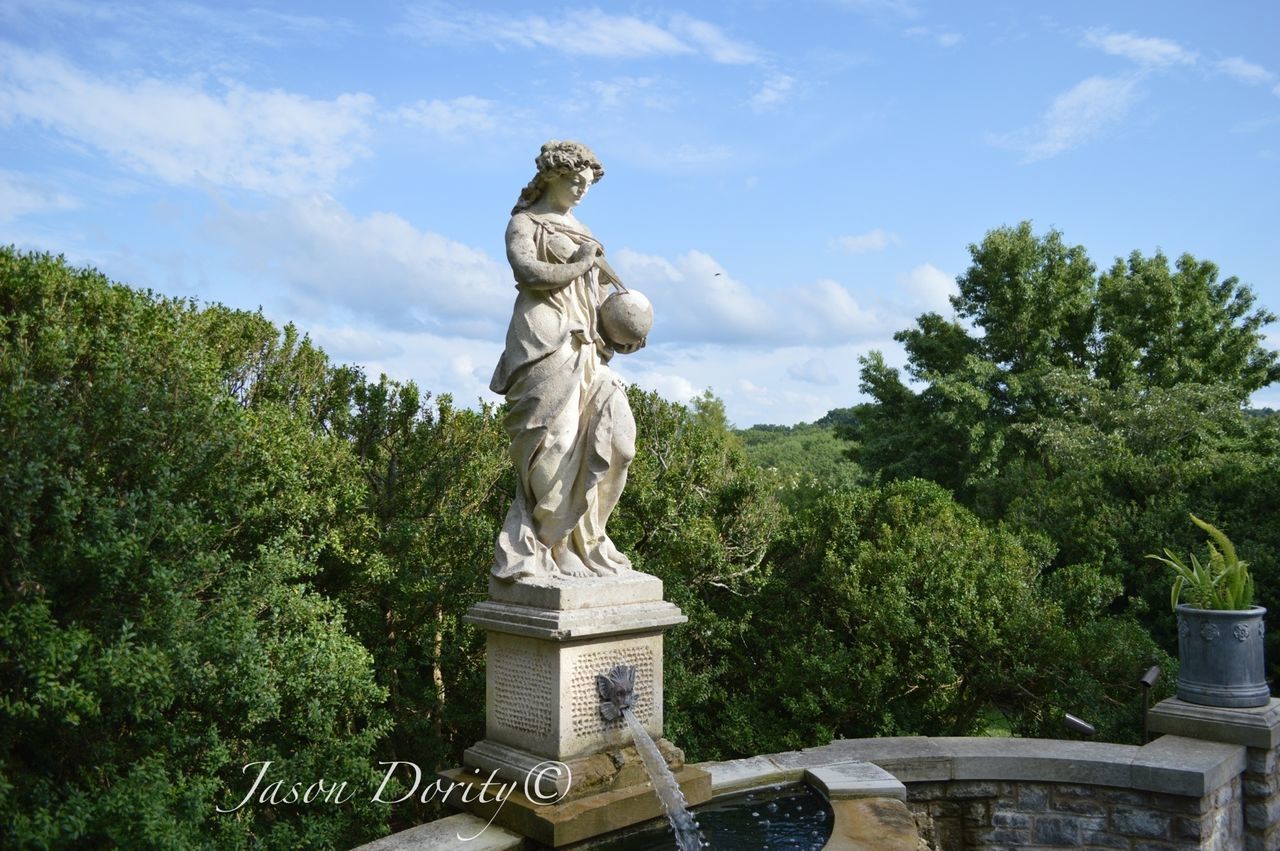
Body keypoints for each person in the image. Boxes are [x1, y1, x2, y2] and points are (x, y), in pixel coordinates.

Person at [490, 140, 645, 580]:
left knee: (619, 442)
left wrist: (626, 330)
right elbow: (529, 274)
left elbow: (598, 301)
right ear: (552, 177)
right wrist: (580, 264)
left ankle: (589, 538)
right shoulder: (525, 223)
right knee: (554, 443)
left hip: (589, 349)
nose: (581, 189)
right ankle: (556, 546)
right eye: (574, 180)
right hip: (543, 340)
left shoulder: (586, 234)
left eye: (588, 184)